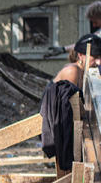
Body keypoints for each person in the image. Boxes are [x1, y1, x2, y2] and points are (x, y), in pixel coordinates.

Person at [41, 34, 101, 172]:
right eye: (94, 57)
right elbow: (68, 104)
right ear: (81, 55)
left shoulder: (85, 71)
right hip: (53, 115)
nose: (98, 62)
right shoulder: (72, 71)